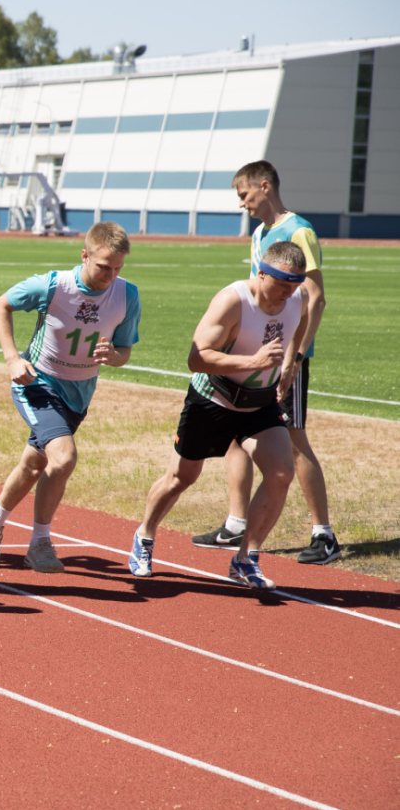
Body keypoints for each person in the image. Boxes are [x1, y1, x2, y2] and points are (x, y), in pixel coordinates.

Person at [127, 242, 309, 588]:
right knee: (181, 478)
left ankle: (245, 559)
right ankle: (145, 536)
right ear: (261, 272)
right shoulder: (233, 301)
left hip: (259, 404)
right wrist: (252, 362)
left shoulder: (297, 299)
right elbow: (197, 358)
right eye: (283, 283)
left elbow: (302, 319)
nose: (289, 292)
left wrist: (292, 361)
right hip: (214, 400)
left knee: (282, 472)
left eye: (296, 283)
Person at [0, 222, 140, 572]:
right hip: (37, 383)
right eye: (103, 266)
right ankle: (40, 543)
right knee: (62, 459)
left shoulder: (127, 295)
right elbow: (1, 305)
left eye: (117, 268)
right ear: (84, 255)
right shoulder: (52, 285)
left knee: (35, 463)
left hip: (78, 393)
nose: (110, 275)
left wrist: (114, 356)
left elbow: (125, 351)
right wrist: (12, 358)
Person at [191, 161, 337, 565]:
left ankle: (323, 534)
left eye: (244, 194)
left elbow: (315, 298)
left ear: (264, 185)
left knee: (292, 436)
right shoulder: (259, 234)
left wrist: (296, 356)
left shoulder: (298, 230)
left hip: (287, 356)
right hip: (259, 353)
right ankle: (236, 523)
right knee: (239, 432)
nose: (242, 203)